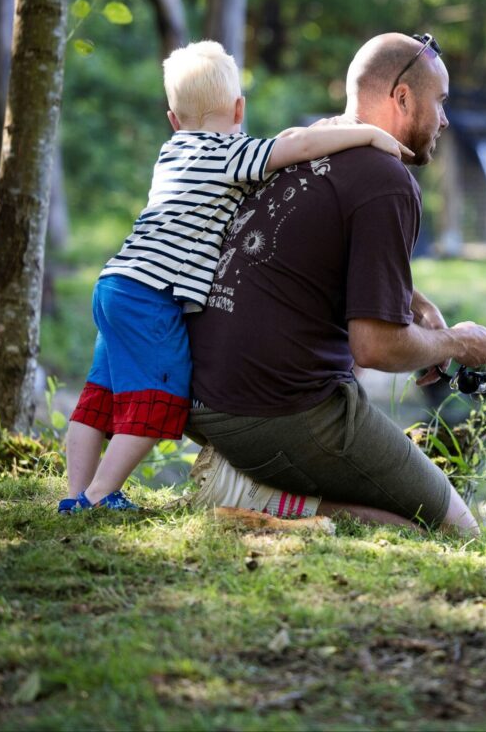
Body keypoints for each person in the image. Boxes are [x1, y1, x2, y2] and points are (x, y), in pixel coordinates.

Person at [62, 40, 411, 514]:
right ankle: (101, 494)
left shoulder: (173, 152)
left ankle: (74, 494)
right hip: (152, 296)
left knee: (100, 395)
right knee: (159, 395)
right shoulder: (231, 154)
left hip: (116, 282)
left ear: (173, 118)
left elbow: (288, 144)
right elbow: (297, 147)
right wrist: (367, 135)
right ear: (239, 109)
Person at [184, 32, 486, 535]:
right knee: (459, 532)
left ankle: (262, 485)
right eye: (440, 102)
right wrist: (457, 342)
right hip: (274, 412)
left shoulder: (306, 144)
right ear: (402, 97)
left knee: (408, 519)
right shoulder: (386, 180)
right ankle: (254, 493)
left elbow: (313, 257)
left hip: (203, 398)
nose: (444, 120)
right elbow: (375, 346)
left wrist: (413, 302)